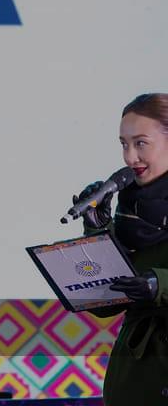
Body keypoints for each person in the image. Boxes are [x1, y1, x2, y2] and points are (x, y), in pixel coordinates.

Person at [72, 93, 168, 405]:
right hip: (134, 379)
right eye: (124, 144)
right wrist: (98, 230)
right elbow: (104, 305)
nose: (129, 157)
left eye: (141, 143)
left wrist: (158, 284)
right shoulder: (128, 210)